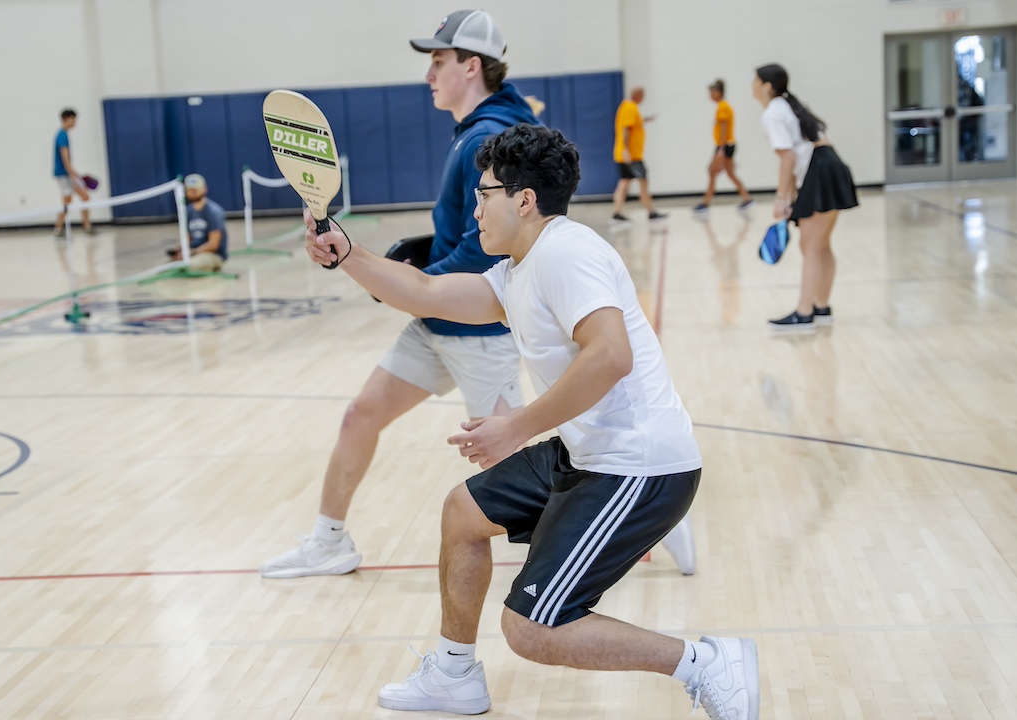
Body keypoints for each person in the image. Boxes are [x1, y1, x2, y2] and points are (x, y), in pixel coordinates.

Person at [303, 123, 758, 719]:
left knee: (532, 629)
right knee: (464, 513)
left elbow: (611, 354)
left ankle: (704, 662)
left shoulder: (567, 252)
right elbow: (426, 292)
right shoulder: (517, 268)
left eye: (485, 193)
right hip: (587, 451)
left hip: (638, 466)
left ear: (524, 199)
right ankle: (453, 673)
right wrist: (349, 254)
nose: (476, 207)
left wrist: (516, 427)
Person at [259, 9, 536, 579]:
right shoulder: (474, 133)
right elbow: (464, 236)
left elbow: (486, 260)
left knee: (510, 458)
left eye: (438, 61)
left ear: (471, 65)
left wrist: (401, 283)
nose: (428, 74)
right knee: (361, 416)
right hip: (438, 327)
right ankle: (329, 541)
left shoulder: (486, 139)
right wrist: (416, 259)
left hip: (479, 333)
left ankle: (636, 522)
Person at [753, 63, 858, 330]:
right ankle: (821, 307)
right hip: (829, 166)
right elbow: (797, 156)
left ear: (767, 86)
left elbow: (787, 158)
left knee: (810, 247)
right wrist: (790, 197)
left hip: (820, 171)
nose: (751, 86)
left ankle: (804, 312)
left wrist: (781, 199)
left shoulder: (773, 114)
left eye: (755, 81)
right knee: (820, 245)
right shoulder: (790, 106)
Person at [693, 79, 754, 214]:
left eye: (712, 92)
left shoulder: (722, 107)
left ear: (718, 92)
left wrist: (720, 150)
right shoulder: (723, 106)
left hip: (724, 146)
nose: (710, 96)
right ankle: (747, 199)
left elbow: (724, 128)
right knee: (730, 173)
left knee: (711, 171)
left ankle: (706, 202)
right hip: (727, 145)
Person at [611, 87, 666, 223]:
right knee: (636, 182)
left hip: (629, 155)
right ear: (639, 95)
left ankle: (619, 212)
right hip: (631, 156)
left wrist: (646, 119)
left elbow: (633, 124)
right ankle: (648, 211)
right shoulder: (630, 107)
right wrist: (627, 150)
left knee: (627, 182)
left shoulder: (629, 107)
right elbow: (626, 130)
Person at [166, 174, 228, 272]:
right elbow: (188, 238)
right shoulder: (188, 212)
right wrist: (179, 250)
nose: (193, 192)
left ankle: (214, 266)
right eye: (190, 190)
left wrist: (192, 253)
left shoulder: (214, 212)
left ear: (204, 189)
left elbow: (213, 245)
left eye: (196, 189)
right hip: (194, 252)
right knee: (163, 266)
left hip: (213, 255)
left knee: (187, 267)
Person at [52, 108, 94, 237]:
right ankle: (85, 227)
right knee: (82, 197)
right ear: (66, 119)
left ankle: (59, 228)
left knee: (70, 201)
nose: (75, 122)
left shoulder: (63, 134)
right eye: (73, 119)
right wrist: (75, 176)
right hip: (64, 175)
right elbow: (66, 160)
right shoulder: (62, 135)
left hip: (64, 174)